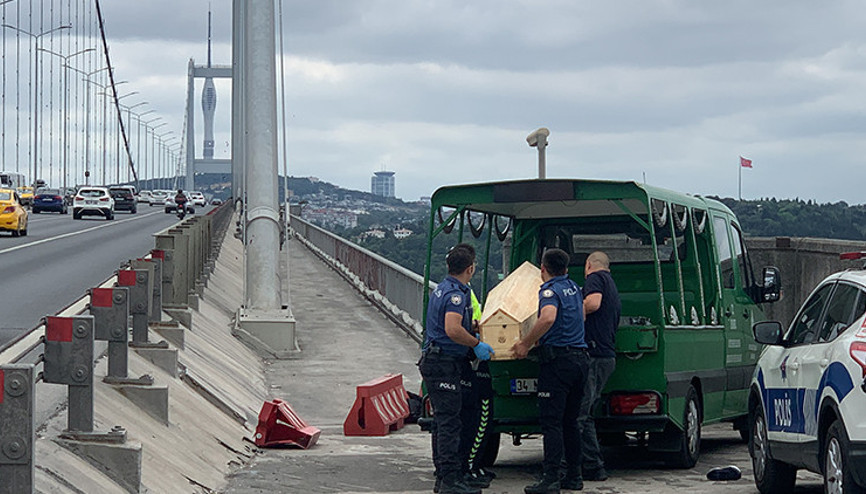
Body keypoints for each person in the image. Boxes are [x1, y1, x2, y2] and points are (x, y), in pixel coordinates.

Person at [419, 243, 495, 494]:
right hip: (444, 363)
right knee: (450, 423)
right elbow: (452, 329)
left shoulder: (442, 288)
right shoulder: (456, 295)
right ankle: (450, 480)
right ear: (470, 269)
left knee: (443, 422)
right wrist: (476, 343)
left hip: (438, 361)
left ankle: (446, 477)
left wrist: (471, 328)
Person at [512, 248, 589, 494]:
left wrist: (525, 343)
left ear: (543, 269)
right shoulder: (574, 288)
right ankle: (574, 475)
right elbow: (581, 317)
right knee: (571, 422)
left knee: (551, 423)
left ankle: (551, 478)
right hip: (579, 359)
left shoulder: (549, 291)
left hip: (558, 363)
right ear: (566, 268)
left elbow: (547, 318)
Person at [577, 251, 621, 482]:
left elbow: (593, 303)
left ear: (588, 265)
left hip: (594, 355)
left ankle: (580, 467)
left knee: (579, 414)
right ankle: (592, 465)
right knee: (586, 415)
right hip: (606, 355)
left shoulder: (595, 278)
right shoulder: (611, 283)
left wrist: (570, 310)